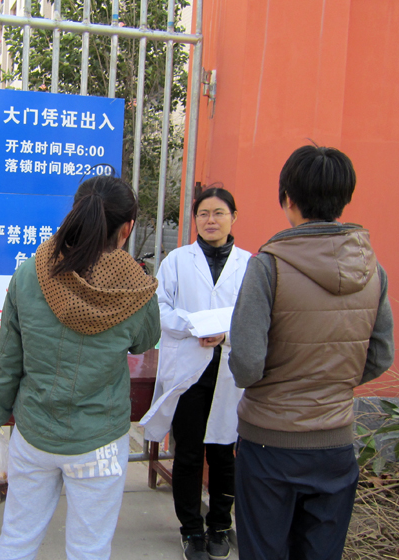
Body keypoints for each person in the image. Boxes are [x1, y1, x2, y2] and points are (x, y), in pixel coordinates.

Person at [229, 145, 394, 560]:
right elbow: (380, 355)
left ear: (287, 198)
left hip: (269, 446)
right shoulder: (372, 270)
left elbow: (246, 364)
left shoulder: (268, 266)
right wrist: (332, 381)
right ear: (344, 198)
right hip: (335, 444)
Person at [0, 176, 161, 560]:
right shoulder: (135, 288)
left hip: (34, 433)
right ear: (127, 228)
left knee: (17, 539)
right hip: (99, 440)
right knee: (89, 550)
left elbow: (7, 360)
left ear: (75, 213)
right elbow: (144, 340)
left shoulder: (31, 272)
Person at [139, 186, 251, 560]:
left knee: (223, 451)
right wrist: (195, 326)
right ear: (195, 220)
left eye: (219, 213)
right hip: (189, 368)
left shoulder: (249, 265)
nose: (210, 220)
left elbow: (255, 316)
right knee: (188, 452)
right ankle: (191, 530)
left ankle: (219, 524)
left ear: (234, 217)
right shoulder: (176, 261)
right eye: (203, 213)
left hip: (229, 368)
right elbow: (159, 308)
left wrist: (225, 333)